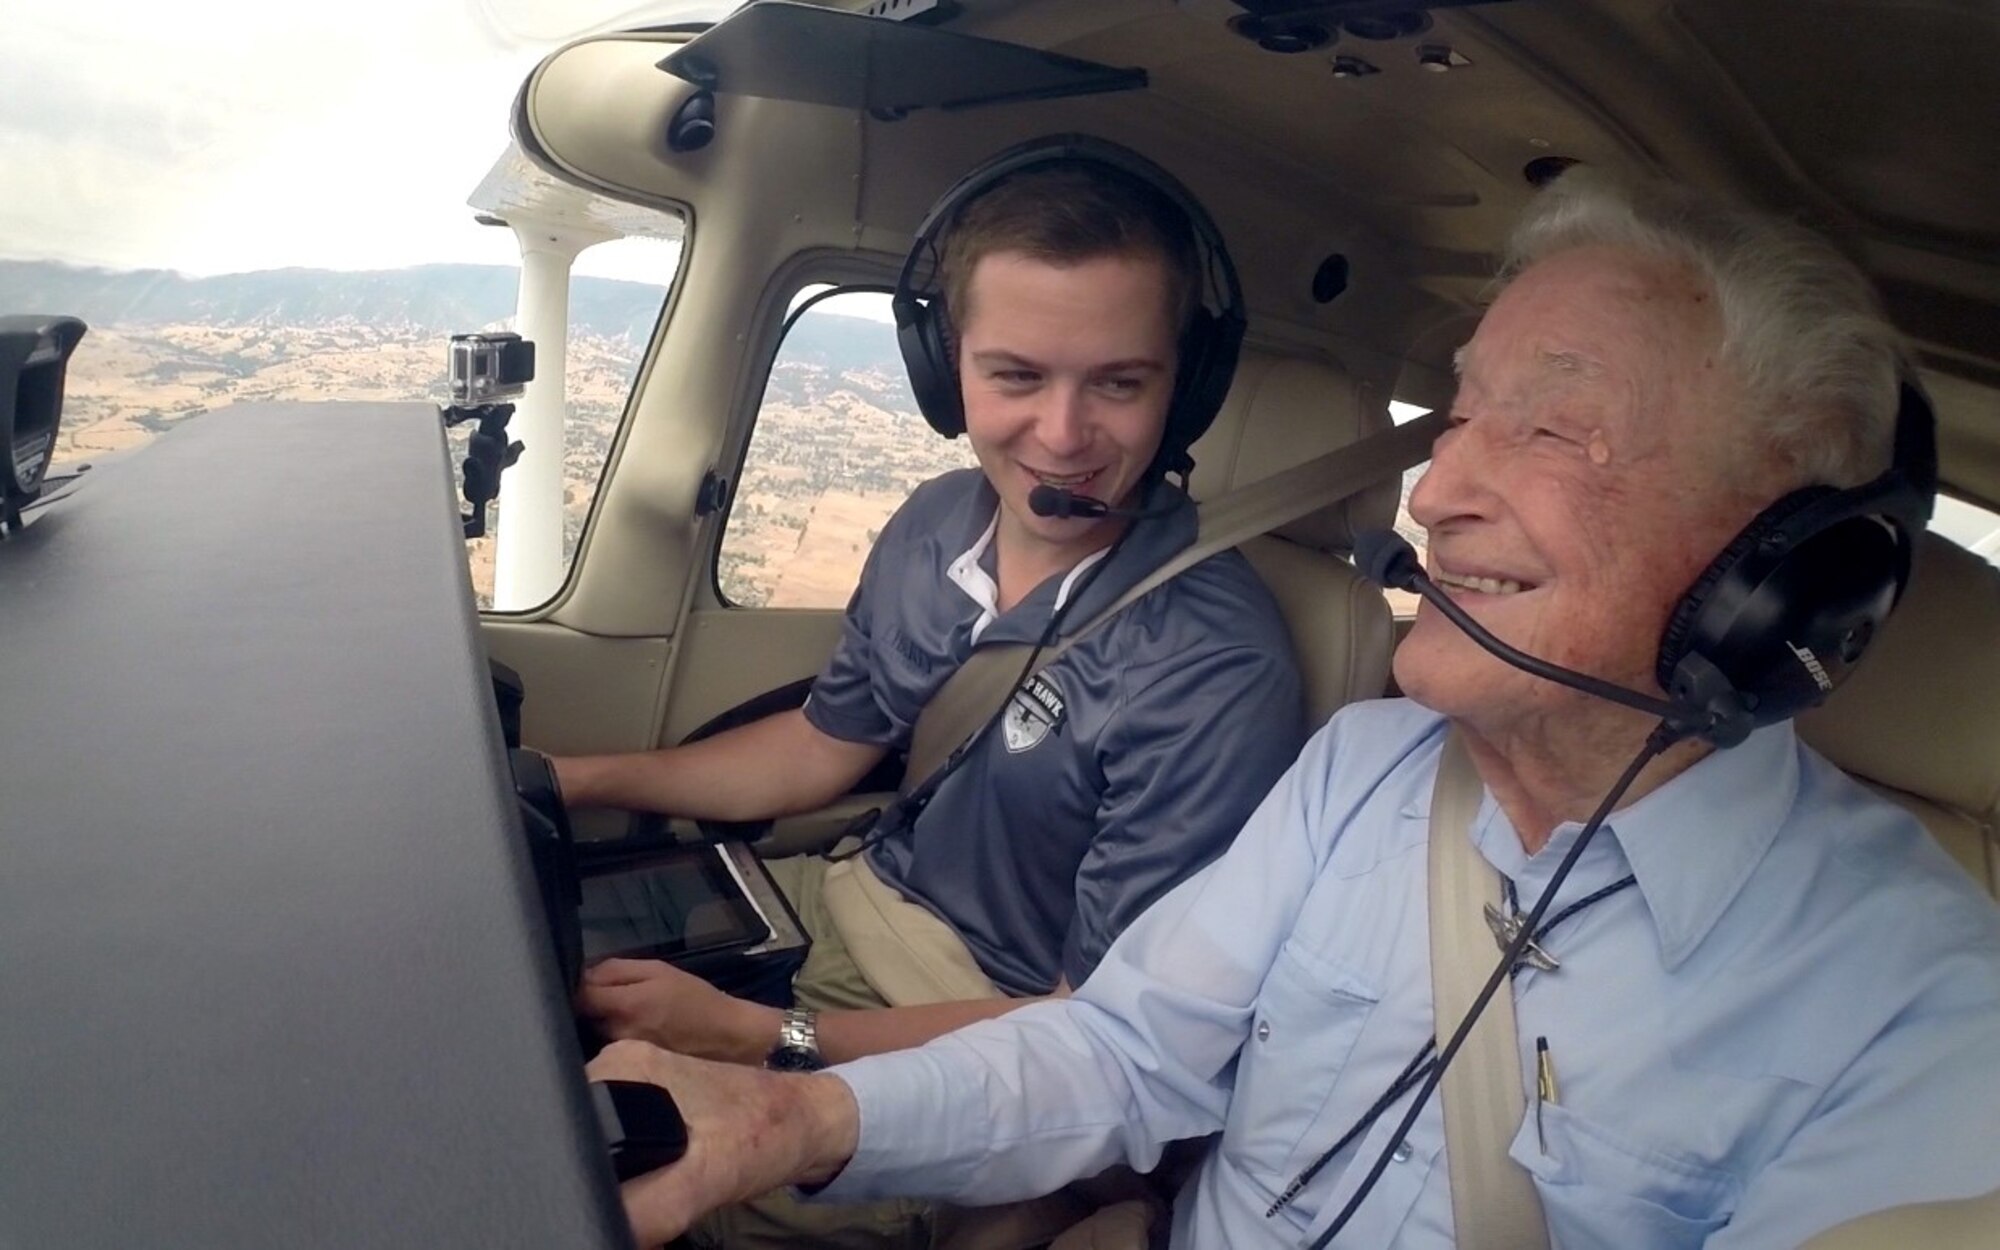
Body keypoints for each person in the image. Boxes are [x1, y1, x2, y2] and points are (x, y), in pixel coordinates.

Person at [588, 167, 2000, 1249]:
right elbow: (1122, 1051)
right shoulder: (1370, 768)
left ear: (1778, 580)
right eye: (1458, 415)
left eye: (1552, 428)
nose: (1435, 495)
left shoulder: (1927, 1011)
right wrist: (791, 1110)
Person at [557, 146, 1308, 1244]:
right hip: (829, 902)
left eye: (1118, 381)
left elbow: (1093, 1028)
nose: (1062, 436)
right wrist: (569, 778)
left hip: (986, 1032)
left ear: (1181, 387)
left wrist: (760, 1033)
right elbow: (821, 747)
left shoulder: (1212, 662)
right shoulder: (934, 521)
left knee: (612, 1183)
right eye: (1015, 375)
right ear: (938, 367)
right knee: (537, 987)